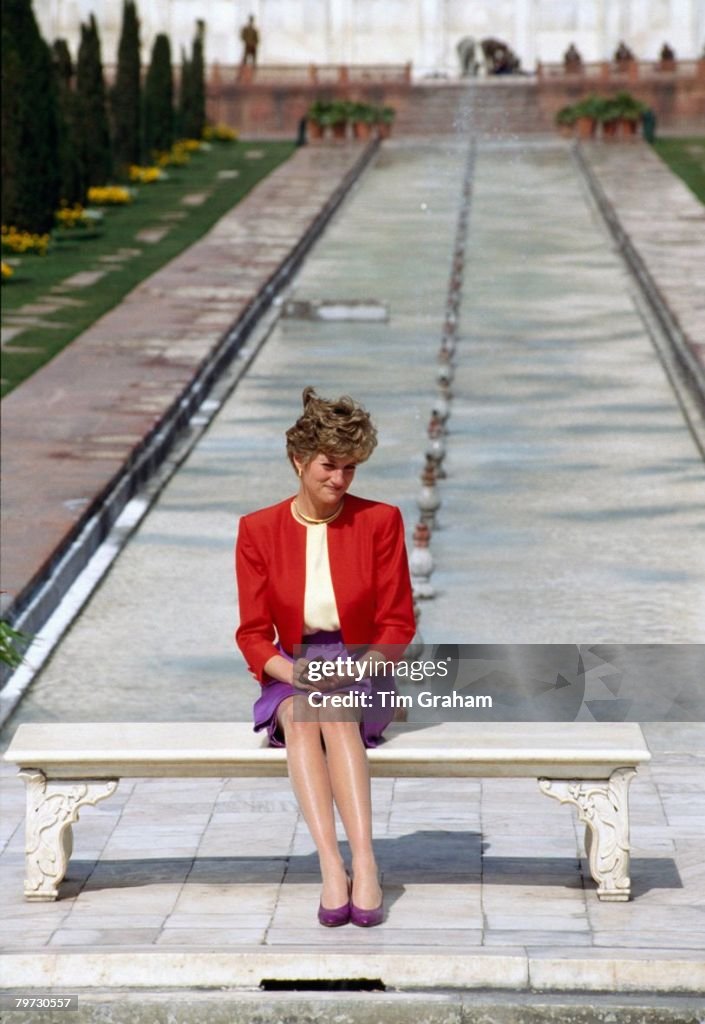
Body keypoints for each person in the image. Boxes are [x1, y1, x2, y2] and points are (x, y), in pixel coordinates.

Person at [235, 387, 415, 927]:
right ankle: (331, 866)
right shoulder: (258, 530)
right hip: (291, 668)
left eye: (350, 469)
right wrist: (295, 673)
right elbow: (251, 635)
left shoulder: (381, 521)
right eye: (328, 466)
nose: (339, 480)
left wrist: (352, 669)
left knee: (332, 713)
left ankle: (365, 862)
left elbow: (398, 626)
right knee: (300, 712)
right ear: (298, 461)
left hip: (363, 666)